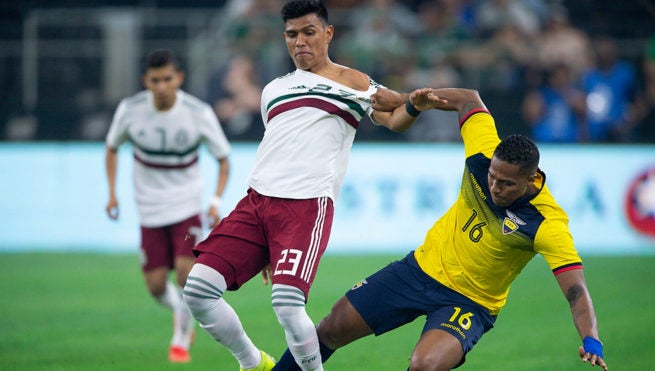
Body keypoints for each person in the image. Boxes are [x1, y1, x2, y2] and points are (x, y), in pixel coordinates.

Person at [180, 1, 440, 370]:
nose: (299, 41)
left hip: (305, 207)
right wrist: (269, 241)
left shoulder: (352, 82)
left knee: (287, 305)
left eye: (308, 32)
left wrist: (413, 106)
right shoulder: (273, 90)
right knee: (198, 291)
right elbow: (280, 147)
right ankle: (253, 363)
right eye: (291, 35)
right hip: (256, 203)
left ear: (328, 34)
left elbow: (394, 117)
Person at [272, 88, 608, 371]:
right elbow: (469, 99)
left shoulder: (546, 223)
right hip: (418, 270)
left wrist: (590, 338)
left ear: (531, 179)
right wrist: (413, 101)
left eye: (506, 183)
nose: (494, 187)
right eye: (492, 176)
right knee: (330, 328)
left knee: (424, 366)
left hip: (470, 303)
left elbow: (576, 290)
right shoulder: (482, 151)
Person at [104, 49, 231, 363]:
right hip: (149, 209)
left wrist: (214, 202)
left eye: (167, 79)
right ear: (145, 81)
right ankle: (180, 311)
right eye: (155, 80)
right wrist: (112, 194)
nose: (162, 86)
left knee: (186, 275)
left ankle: (180, 338)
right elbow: (111, 148)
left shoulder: (198, 112)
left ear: (179, 79)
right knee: (156, 285)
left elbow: (223, 160)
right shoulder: (130, 110)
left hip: (187, 206)